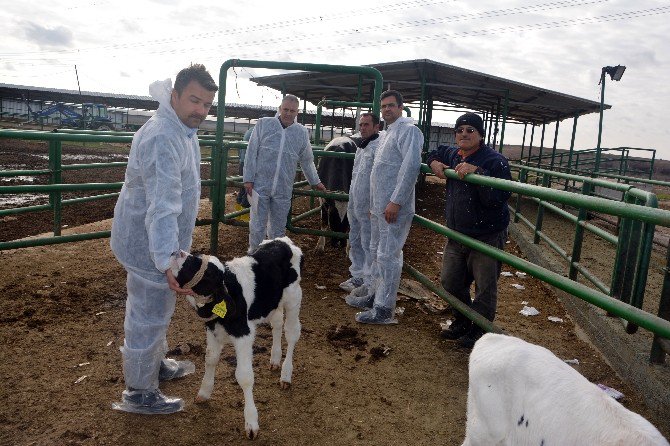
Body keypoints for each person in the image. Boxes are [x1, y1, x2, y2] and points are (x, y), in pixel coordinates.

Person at [110, 64, 218, 414]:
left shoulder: (181, 129)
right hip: (149, 242)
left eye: (206, 104)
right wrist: (168, 259)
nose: (200, 111)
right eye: (194, 100)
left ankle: (152, 364)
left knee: (156, 307)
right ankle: (139, 391)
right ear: (175, 95)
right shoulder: (163, 136)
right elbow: (162, 204)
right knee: (149, 311)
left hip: (156, 239)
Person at [426, 112, 512, 348]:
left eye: (470, 130)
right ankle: (463, 319)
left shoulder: (495, 161)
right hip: (457, 234)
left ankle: (480, 330)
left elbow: (500, 198)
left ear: (481, 135)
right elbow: (434, 152)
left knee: (485, 287)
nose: (464, 134)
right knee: (450, 281)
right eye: (460, 130)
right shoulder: (453, 154)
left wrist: (480, 176)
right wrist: (433, 162)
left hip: (486, 235)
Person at [346, 90, 423, 325]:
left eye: (391, 105)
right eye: (384, 106)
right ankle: (375, 296)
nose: (387, 109)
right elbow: (378, 174)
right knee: (379, 254)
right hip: (380, 207)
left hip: (393, 208)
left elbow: (410, 169)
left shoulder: (409, 131)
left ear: (401, 107)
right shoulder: (388, 134)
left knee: (388, 256)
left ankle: (384, 308)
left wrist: (395, 201)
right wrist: (374, 205)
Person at [243, 94, 326, 253]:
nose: (288, 113)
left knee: (278, 228)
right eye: (285, 109)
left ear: (297, 112)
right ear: (280, 109)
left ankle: (274, 259)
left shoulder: (301, 132)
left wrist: (315, 181)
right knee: (257, 225)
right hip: (260, 184)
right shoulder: (264, 124)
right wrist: (248, 179)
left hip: (283, 187)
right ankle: (254, 258)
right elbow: (251, 152)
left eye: (292, 110)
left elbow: (307, 160)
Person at [339, 113, 382, 294]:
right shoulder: (361, 147)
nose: (363, 128)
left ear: (376, 127)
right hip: (355, 201)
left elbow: (379, 179)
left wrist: (374, 204)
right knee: (355, 238)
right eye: (361, 124)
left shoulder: (378, 148)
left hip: (368, 205)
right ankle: (357, 274)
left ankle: (368, 279)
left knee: (369, 241)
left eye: (366, 125)